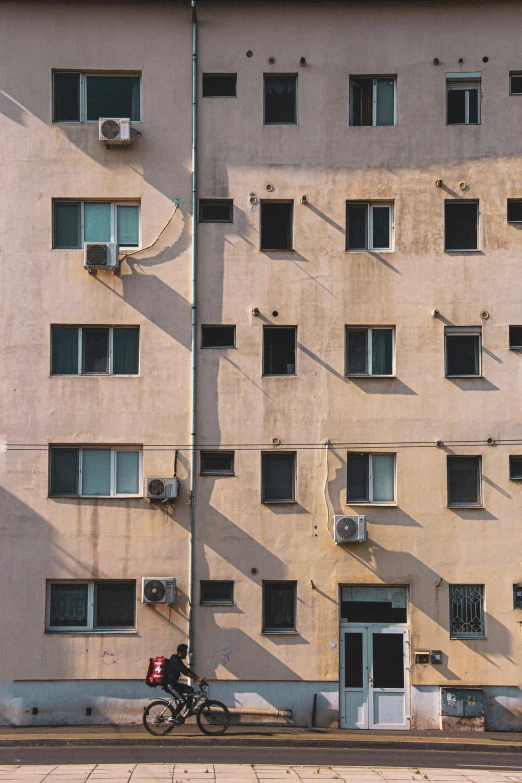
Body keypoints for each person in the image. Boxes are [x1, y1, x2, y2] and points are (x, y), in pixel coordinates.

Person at [163, 643, 204, 719]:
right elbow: (184, 672)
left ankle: (188, 711)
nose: (186, 653)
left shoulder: (178, 659)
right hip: (170, 685)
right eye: (185, 652)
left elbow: (187, 670)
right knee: (182, 700)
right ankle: (172, 717)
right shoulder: (175, 660)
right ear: (180, 652)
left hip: (174, 684)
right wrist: (197, 679)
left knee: (190, 690)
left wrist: (198, 677)